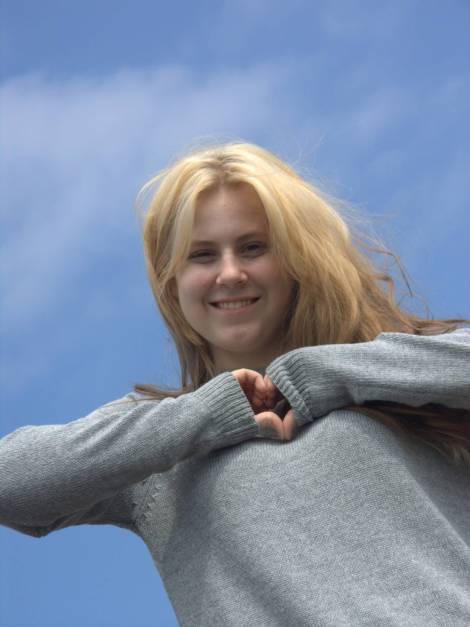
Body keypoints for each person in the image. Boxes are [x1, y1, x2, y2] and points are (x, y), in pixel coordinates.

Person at [1, 142, 469, 626]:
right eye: (203, 255)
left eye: (252, 247)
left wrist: (329, 374)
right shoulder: (161, 447)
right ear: (171, 285)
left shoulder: (402, 374)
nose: (230, 273)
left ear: (297, 259)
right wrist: (209, 414)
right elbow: (9, 481)